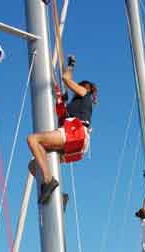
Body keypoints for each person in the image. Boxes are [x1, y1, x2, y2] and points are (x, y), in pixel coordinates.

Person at [27, 57, 97, 204]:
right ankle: (58, 196)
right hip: (74, 142)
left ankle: (49, 181)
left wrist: (70, 66)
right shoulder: (75, 106)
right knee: (33, 166)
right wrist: (59, 98)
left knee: (33, 139)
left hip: (76, 133)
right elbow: (61, 114)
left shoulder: (85, 94)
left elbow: (66, 78)